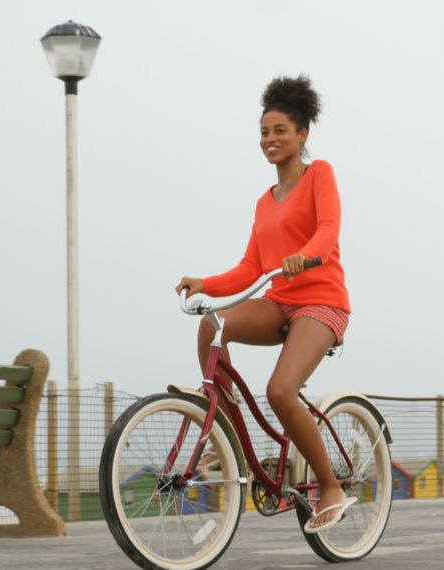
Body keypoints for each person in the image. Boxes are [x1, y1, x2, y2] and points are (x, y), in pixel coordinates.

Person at [175, 75, 353, 533]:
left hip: (321, 303)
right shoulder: (264, 202)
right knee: (211, 325)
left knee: (279, 391)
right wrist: (204, 283)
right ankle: (228, 431)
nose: (270, 140)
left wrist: (306, 254)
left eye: (280, 131)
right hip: (279, 301)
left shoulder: (320, 174)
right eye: (264, 132)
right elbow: (250, 267)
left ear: (302, 135)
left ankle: (331, 487)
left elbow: (329, 229)